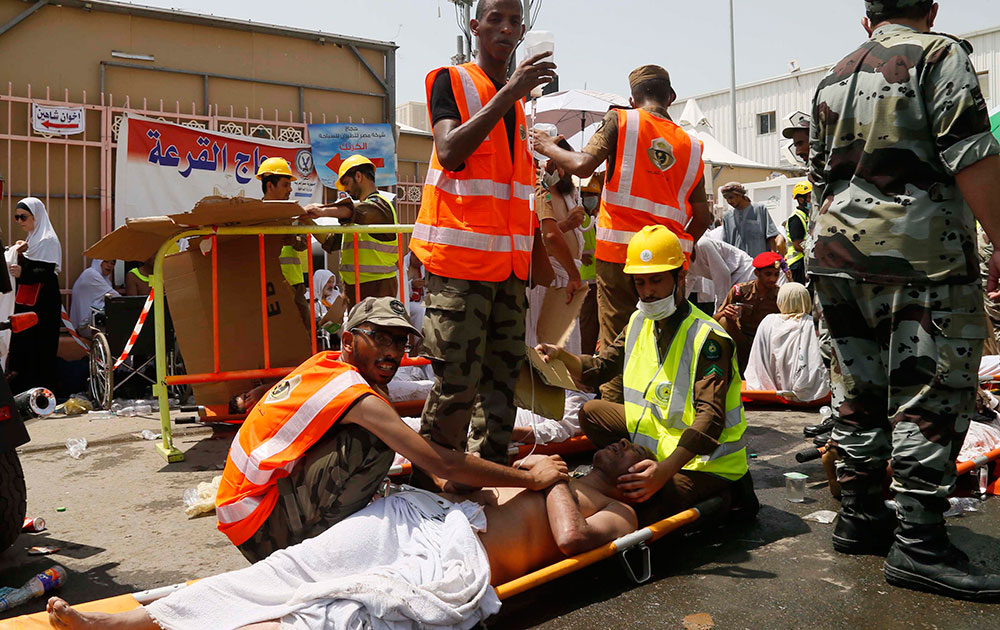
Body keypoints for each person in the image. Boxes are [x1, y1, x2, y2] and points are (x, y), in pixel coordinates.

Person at [810, 0, 1000, 600]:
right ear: (932, 7)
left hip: (836, 257)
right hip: (922, 258)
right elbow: (972, 154)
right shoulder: (941, 54)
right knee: (929, 392)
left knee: (857, 388)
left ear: (867, 19)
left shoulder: (832, 77)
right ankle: (919, 544)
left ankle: (861, 516)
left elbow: (818, 174)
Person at [47, 441, 645, 630]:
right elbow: (478, 491)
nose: (617, 444)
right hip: (423, 516)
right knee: (295, 568)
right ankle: (138, 621)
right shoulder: (557, 467)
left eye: (629, 447)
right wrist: (497, 481)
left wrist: (555, 480)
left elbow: (570, 541)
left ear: (640, 474)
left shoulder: (621, 514)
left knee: (332, 611)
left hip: (462, 554)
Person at [216, 296, 568, 562]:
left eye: (399, 341)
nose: (392, 352)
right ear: (349, 340)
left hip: (254, 511)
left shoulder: (326, 365)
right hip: (261, 530)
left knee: (388, 439)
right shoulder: (357, 395)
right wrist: (530, 480)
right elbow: (439, 462)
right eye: (379, 338)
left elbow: (413, 442)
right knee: (376, 441)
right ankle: (319, 546)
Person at [408, 0, 555, 468]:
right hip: (458, 266)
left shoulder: (519, 105)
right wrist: (508, 93)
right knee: (456, 384)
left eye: (515, 21)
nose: (507, 29)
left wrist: (537, 256)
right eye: (496, 19)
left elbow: (512, 190)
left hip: (507, 271)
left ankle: (487, 472)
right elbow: (450, 151)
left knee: (501, 382)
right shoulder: (453, 81)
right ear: (474, 26)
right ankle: (433, 480)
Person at [537, 225, 754, 524]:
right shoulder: (640, 320)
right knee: (592, 412)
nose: (648, 292)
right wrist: (561, 356)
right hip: (656, 443)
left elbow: (711, 418)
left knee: (641, 504)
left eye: (656, 280)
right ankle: (643, 475)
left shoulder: (708, 338)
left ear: (680, 277)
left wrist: (663, 473)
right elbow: (601, 368)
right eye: (640, 283)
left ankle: (731, 492)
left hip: (705, 461)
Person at [532, 65, 713, 404]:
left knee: (618, 344)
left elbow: (583, 165)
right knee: (667, 342)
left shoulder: (623, 121)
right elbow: (704, 215)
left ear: (633, 99)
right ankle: (669, 414)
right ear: (670, 98)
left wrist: (546, 145)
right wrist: (682, 250)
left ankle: (617, 428)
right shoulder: (692, 145)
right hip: (669, 265)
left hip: (619, 260)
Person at [309, 155, 400, 307]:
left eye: (346, 183)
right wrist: (307, 220)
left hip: (378, 288)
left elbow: (352, 211)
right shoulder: (359, 216)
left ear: (358, 176)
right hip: (355, 288)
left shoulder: (380, 206)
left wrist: (320, 210)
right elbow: (330, 241)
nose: (345, 189)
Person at [7, 197, 62, 393]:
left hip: (43, 302)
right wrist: (20, 252)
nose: (20, 221)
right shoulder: (33, 239)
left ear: (36, 217)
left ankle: (43, 392)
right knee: (25, 345)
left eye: (24, 217)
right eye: (17, 218)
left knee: (42, 347)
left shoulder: (47, 240)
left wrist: (24, 273)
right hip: (29, 300)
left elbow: (46, 272)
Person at [745, 282, 830, 402]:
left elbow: (758, 360)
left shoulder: (768, 321)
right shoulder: (810, 324)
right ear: (805, 300)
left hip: (767, 389)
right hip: (806, 392)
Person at [258, 157, 313, 329]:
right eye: (285, 184)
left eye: (290, 185)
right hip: (267, 284)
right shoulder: (254, 214)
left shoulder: (293, 212)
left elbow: (302, 243)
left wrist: (292, 239)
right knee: (274, 332)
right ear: (269, 186)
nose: (290, 189)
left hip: (294, 284)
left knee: (304, 329)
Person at [713, 251, 782, 370]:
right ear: (757, 273)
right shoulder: (740, 291)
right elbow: (714, 319)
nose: (773, 279)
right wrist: (725, 312)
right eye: (768, 274)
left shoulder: (780, 295)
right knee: (724, 320)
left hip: (766, 342)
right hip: (741, 339)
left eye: (776, 274)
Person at [687, 234, 755, 314]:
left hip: (744, 271)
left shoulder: (703, 244)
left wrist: (721, 307)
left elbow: (723, 275)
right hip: (729, 280)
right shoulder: (682, 259)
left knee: (740, 315)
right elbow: (688, 283)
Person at [719, 182, 779, 258]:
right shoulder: (727, 216)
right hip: (738, 264)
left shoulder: (759, 209)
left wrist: (774, 257)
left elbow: (771, 236)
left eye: (731, 197)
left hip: (759, 262)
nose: (729, 202)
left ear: (740, 195)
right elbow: (725, 244)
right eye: (726, 198)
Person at [577, 173, 602, 354]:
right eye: (587, 195)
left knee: (592, 324)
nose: (591, 199)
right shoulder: (580, 218)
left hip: (594, 279)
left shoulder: (592, 219)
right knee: (586, 325)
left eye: (593, 196)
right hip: (584, 279)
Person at [69, 259, 119, 338]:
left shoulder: (104, 279)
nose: (109, 265)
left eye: (113, 263)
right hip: (86, 325)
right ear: (98, 262)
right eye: (106, 261)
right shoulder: (91, 274)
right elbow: (115, 297)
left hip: (94, 322)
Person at [784, 182, 811, 285]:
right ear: (801, 200)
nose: (812, 200)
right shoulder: (796, 218)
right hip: (797, 263)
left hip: (803, 261)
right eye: (809, 197)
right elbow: (797, 245)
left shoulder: (806, 216)